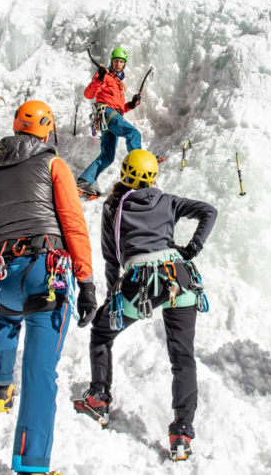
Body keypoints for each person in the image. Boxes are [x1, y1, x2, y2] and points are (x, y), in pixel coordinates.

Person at [0, 100, 97, 475]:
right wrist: (86, 279)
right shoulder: (53, 164)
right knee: (41, 370)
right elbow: (73, 224)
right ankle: (31, 464)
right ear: (46, 129)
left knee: (8, 320)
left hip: (5, 273)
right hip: (45, 272)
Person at [72, 149, 217, 461]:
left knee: (101, 333)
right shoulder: (167, 200)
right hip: (180, 276)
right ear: (153, 176)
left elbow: (112, 257)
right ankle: (182, 433)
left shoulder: (114, 205)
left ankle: (98, 398)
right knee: (183, 357)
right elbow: (208, 211)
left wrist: (114, 294)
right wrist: (192, 247)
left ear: (124, 172)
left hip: (142, 282)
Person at [76, 46, 142, 197]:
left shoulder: (120, 84)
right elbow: (88, 94)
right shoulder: (104, 76)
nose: (118, 64)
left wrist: (130, 105)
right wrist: (99, 78)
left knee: (108, 156)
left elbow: (118, 109)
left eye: (121, 62)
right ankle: (140, 165)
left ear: (124, 64)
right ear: (111, 62)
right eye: (115, 61)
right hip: (105, 113)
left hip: (110, 116)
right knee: (133, 133)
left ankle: (84, 182)